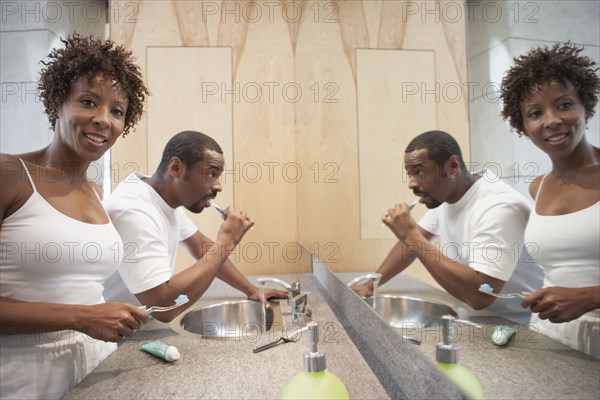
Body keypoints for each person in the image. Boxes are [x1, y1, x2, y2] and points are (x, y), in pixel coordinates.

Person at [0, 34, 151, 399]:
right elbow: (81, 310)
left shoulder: (97, 195)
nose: (104, 120)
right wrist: (82, 316)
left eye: (117, 111)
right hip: (23, 376)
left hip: (96, 368)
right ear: (57, 104)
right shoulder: (9, 174)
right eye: (88, 102)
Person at [352, 130, 544, 325]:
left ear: (452, 167)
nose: (411, 183)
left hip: (518, 326)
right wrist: (371, 284)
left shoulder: (499, 207)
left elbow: (481, 296)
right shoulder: (447, 195)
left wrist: (411, 236)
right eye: (409, 173)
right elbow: (411, 244)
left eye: (419, 171)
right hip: (480, 318)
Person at [102, 130, 287, 322]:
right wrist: (226, 242)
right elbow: (162, 307)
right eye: (210, 174)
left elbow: (200, 246)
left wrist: (251, 290)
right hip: (114, 335)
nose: (218, 186)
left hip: (133, 326)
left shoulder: (160, 195)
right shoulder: (134, 211)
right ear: (176, 168)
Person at [499, 42, 600, 358]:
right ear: (523, 126)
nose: (551, 120)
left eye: (564, 104)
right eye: (535, 113)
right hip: (552, 340)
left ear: (586, 105)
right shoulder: (537, 187)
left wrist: (590, 297)